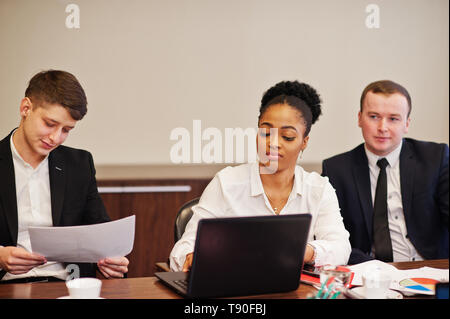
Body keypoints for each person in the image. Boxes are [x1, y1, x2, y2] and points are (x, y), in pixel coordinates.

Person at [170, 80, 351, 271]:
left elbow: (341, 248)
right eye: (266, 133)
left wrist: (305, 251)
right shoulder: (227, 183)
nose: (273, 143)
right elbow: (182, 249)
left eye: (287, 137)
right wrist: (191, 257)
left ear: (304, 142)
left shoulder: (319, 189)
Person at [0, 70, 129, 283]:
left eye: (66, 130)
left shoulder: (79, 164)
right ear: (26, 108)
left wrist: (112, 260)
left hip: (67, 284)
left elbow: (101, 232)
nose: (55, 138)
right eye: (49, 124)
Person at [322, 80, 449, 265]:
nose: (382, 127)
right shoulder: (336, 170)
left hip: (430, 268)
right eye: (374, 116)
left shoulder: (435, 158)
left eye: (393, 118)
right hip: (370, 275)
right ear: (359, 118)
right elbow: (334, 240)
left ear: (407, 123)